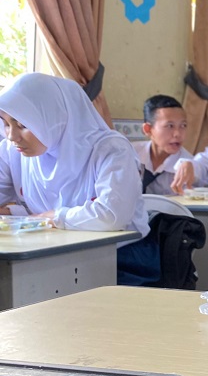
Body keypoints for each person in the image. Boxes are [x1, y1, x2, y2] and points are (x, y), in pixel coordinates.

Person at [0, 73, 153, 285]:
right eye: (6, 123)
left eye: (22, 124)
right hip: (48, 255)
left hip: (121, 261)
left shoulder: (111, 149)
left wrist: (54, 217)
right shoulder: (12, 151)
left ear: (54, 118)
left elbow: (111, 215)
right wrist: (22, 214)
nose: (11, 135)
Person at [134, 95, 192, 195]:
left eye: (183, 125)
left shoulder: (188, 168)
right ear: (148, 129)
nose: (177, 134)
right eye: (170, 126)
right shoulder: (130, 154)